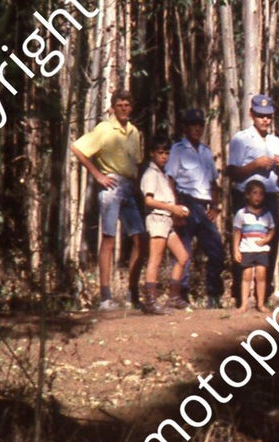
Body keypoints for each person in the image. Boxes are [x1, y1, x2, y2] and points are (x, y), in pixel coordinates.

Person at [70, 89, 144, 310]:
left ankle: (132, 294)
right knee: (109, 239)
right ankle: (105, 297)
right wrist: (97, 175)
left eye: (127, 105)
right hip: (111, 185)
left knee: (140, 239)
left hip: (129, 187)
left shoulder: (134, 132)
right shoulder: (104, 129)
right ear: (113, 107)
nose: (123, 108)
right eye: (119, 105)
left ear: (131, 107)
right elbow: (78, 148)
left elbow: (137, 162)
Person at [226, 94, 279, 301]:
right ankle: (240, 296)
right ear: (252, 114)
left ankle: (263, 296)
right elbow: (232, 172)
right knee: (243, 245)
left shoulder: (275, 140)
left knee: (268, 242)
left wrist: (278, 166)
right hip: (245, 198)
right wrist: (256, 165)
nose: (265, 120)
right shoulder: (241, 139)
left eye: (268, 116)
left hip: (269, 196)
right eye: (261, 116)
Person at [166, 108, 225, 309]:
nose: (197, 129)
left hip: (204, 205)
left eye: (200, 125)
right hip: (186, 202)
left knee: (216, 248)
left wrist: (215, 207)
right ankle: (181, 295)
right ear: (185, 127)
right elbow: (170, 179)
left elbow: (214, 183)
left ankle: (214, 296)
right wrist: (175, 208)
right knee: (184, 251)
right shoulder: (178, 150)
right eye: (193, 125)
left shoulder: (206, 152)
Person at [139, 136, 191, 315]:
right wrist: (172, 208)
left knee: (183, 256)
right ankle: (150, 301)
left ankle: (173, 297)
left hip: (167, 220)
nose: (164, 156)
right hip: (157, 219)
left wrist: (176, 214)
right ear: (152, 153)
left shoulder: (163, 174)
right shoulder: (150, 174)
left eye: (167, 153)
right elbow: (148, 200)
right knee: (156, 258)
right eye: (160, 153)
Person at [232, 179, 277, 313]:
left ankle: (261, 304)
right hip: (246, 249)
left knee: (261, 275)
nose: (258, 197)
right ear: (247, 195)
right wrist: (236, 250)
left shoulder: (267, 214)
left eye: (261, 194)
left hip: (261, 250)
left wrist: (267, 239)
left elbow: (272, 229)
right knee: (246, 275)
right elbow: (237, 232)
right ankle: (244, 304)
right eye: (255, 193)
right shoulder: (241, 214)